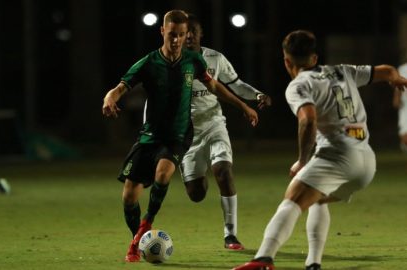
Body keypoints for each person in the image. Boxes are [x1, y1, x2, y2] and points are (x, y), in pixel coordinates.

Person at [232, 30, 407, 270]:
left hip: (337, 155)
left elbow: (307, 120)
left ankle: (263, 258)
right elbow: (386, 70)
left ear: (286, 61)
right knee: (318, 200)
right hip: (367, 162)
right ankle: (313, 262)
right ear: (314, 58)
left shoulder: (298, 85)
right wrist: (396, 77)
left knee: (292, 200)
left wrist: (302, 161)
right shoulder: (343, 70)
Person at [102, 10, 258, 263]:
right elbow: (120, 87)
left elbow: (215, 86)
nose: (177, 40)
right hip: (150, 136)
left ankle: (147, 224)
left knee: (163, 174)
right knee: (129, 195)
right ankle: (138, 239)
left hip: (179, 135)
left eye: (181, 35)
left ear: (187, 36)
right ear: (163, 32)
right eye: (172, 34)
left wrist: (244, 106)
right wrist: (109, 98)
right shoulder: (148, 63)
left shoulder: (193, 62)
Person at [180, 13, 272, 250]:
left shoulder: (215, 59)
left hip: (214, 124)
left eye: (193, 30)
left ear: (201, 34)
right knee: (196, 194)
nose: (189, 35)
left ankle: (230, 235)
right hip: (187, 133)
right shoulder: (172, 61)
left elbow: (235, 83)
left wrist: (257, 94)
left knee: (223, 171)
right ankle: (196, 172)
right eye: (184, 31)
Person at [392, 62, 407, 152]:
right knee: (404, 139)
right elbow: (398, 85)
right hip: (405, 107)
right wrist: (396, 97)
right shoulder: (402, 68)